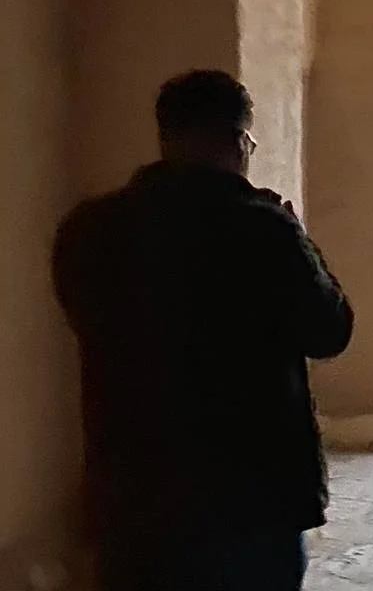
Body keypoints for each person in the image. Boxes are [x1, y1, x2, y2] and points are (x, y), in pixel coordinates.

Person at [51, 70, 354, 591]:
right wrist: (299, 238)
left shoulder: (89, 228)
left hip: (133, 492)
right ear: (238, 141)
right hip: (249, 498)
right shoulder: (263, 231)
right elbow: (330, 332)